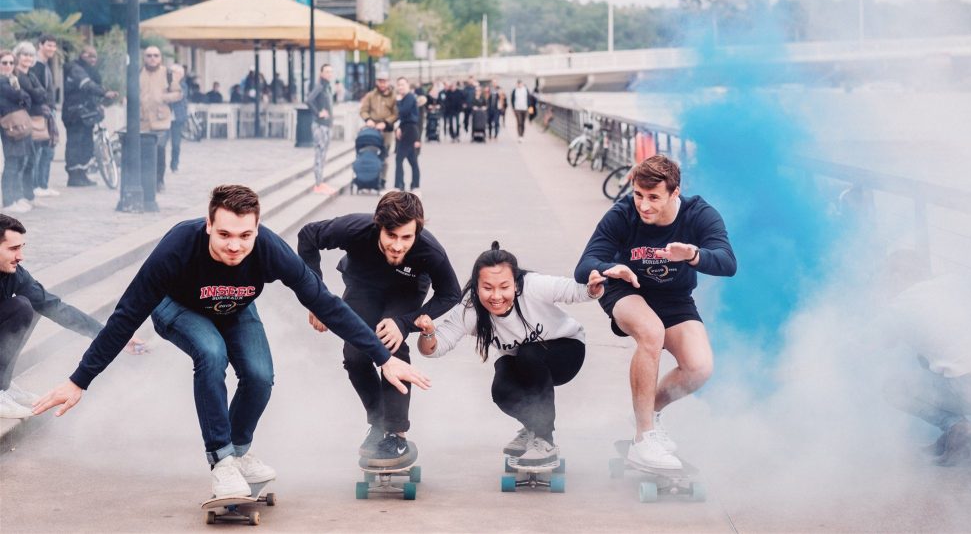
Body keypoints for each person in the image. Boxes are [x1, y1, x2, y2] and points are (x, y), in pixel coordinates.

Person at [32, 184, 430, 498]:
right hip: (177, 309)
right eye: (224, 234)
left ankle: (238, 452)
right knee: (211, 353)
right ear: (208, 225)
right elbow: (125, 317)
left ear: (257, 229)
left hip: (237, 308)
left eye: (245, 235)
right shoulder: (177, 247)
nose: (235, 245)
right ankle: (222, 461)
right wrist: (79, 380)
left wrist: (382, 357)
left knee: (260, 376)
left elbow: (326, 304)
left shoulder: (269, 249)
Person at [574, 154, 736, 469]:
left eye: (653, 198)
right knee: (651, 332)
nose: (644, 205)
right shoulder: (622, 214)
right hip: (626, 289)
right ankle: (643, 438)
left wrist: (693, 255)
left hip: (674, 297)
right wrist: (611, 268)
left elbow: (728, 262)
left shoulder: (698, 215)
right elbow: (584, 266)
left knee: (699, 368)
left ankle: (651, 413)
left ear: (674, 193)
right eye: (638, 195)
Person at [297, 192, 461, 468]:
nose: (398, 246)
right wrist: (316, 297)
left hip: (405, 293)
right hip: (363, 286)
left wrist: (406, 323)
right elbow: (308, 235)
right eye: (391, 235)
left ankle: (396, 434)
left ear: (417, 232)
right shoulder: (355, 228)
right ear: (378, 226)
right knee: (355, 354)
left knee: (390, 343)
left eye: (406, 238)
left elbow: (450, 293)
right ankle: (377, 425)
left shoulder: (429, 250)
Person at [415, 242, 606, 466]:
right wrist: (428, 333)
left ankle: (544, 440)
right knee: (501, 391)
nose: (496, 296)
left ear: (515, 285)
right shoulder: (470, 310)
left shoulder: (534, 286)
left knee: (529, 353)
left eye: (504, 287)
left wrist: (592, 288)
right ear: (477, 287)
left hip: (566, 351)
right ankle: (533, 427)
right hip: (521, 360)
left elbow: (575, 291)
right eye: (487, 288)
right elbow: (435, 348)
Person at [880, 250, 971, 466]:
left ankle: (956, 426)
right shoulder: (954, 283)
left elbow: (880, 342)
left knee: (894, 388)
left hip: (969, 387)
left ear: (897, 276)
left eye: (889, 275)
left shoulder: (900, 304)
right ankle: (952, 435)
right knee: (930, 361)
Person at [0, 214, 145, 418]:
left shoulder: (15, 273)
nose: (21, 256)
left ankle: (3, 384)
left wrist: (111, 336)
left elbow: (54, 306)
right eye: (13, 249)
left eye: (22, 247)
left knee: (32, 306)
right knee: (21, 306)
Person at [62, 46, 118, 187]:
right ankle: (74, 176)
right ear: (82, 55)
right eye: (90, 56)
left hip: (86, 113)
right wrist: (104, 92)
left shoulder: (89, 70)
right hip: (74, 113)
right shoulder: (75, 69)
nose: (93, 59)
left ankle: (82, 174)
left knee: (86, 143)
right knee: (75, 143)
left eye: (95, 56)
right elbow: (86, 84)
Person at [139, 47, 182, 192]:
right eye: (149, 55)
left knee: (159, 150)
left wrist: (163, 98)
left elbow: (177, 93)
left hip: (161, 119)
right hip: (143, 119)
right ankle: (145, 181)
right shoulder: (138, 73)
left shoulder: (167, 73)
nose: (152, 58)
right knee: (143, 152)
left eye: (156, 55)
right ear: (144, 58)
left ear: (160, 58)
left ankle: (159, 180)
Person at [13, 43, 47, 211]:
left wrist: (37, 93)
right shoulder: (17, 76)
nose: (28, 58)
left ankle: (29, 194)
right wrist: (37, 93)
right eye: (24, 55)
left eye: (31, 55)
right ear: (18, 56)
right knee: (23, 160)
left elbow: (42, 92)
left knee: (32, 159)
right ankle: (19, 196)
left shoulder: (32, 75)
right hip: (23, 121)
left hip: (35, 118)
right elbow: (32, 95)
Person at [0, 51, 34, 213]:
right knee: (12, 162)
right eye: (4, 63)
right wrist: (21, 96)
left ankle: (16, 196)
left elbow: (27, 100)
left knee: (20, 161)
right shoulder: (3, 81)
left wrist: (21, 97)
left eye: (11, 63)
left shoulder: (12, 80)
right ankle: (8, 200)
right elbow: (18, 95)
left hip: (18, 123)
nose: (8, 66)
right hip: (8, 125)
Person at [29, 35, 59, 198]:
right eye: (49, 45)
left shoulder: (46, 65)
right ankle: (36, 185)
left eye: (54, 46)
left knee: (48, 148)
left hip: (49, 111)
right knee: (40, 149)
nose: (52, 49)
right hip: (41, 112)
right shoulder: (36, 66)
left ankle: (43, 184)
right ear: (40, 45)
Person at [359, 74, 397, 187]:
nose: (382, 84)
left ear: (388, 82)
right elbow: (363, 110)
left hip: (386, 129)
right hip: (372, 129)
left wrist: (385, 122)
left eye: (384, 81)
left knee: (384, 155)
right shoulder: (370, 95)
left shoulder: (393, 97)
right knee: (370, 153)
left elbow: (396, 114)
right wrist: (368, 119)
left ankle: (383, 179)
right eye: (380, 81)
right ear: (377, 82)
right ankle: (370, 179)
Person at [308, 64, 335, 195]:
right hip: (319, 125)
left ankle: (321, 181)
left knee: (323, 154)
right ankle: (318, 184)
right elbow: (308, 100)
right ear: (321, 73)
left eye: (331, 71)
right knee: (319, 154)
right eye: (327, 71)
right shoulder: (319, 86)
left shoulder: (327, 87)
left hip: (326, 125)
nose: (329, 74)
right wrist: (318, 112)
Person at [393, 77, 421, 193]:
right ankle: (413, 185)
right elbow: (401, 117)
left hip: (410, 130)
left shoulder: (409, 97)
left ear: (408, 85)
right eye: (399, 85)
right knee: (411, 159)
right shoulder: (406, 98)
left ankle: (400, 185)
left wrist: (398, 101)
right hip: (406, 129)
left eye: (403, 84)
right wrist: (398, 127)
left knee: (400, 158)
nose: (400, 87)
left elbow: (403, 112)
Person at [168, 63, 188, 174]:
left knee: (176, 144)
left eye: (175, 72)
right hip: (165, 117)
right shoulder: (165, 84)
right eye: (171, 72)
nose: (172, 74)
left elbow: (179, 96)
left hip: (177, 118)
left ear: (180, 74)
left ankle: (174, 165)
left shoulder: (183, 85)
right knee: (161, 144)